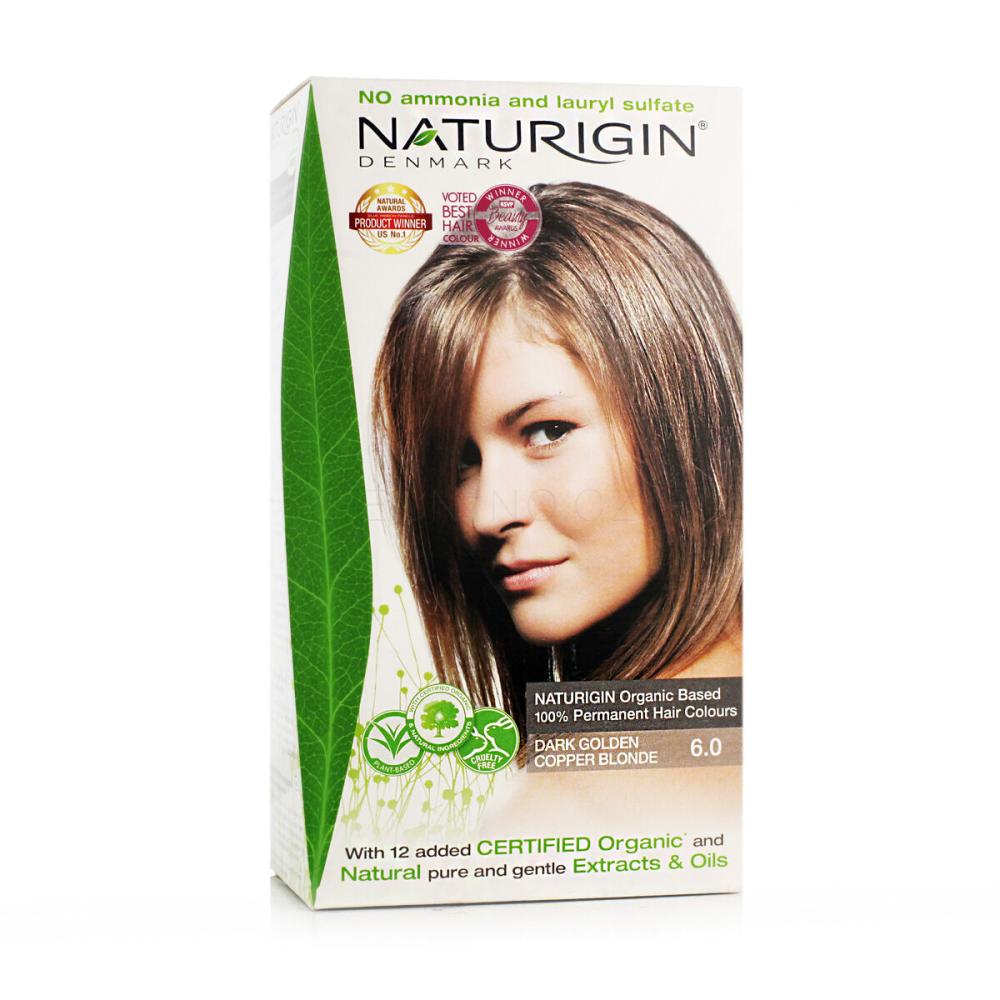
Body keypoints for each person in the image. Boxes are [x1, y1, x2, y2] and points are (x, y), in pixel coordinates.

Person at [372, 181, 742, 738]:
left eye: (548, 431)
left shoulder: (612, 778)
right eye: (459, 462)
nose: (488, 516)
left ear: (687, 420)